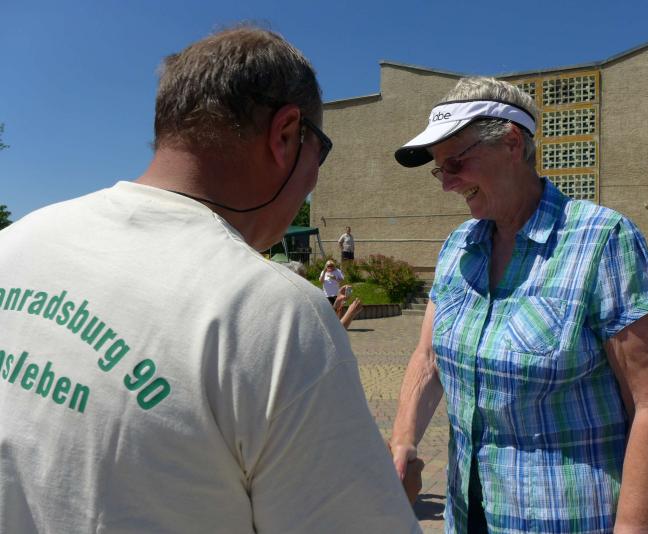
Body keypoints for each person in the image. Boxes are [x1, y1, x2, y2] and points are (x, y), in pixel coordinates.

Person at [0, 27, 419, 533]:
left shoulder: (16, 241)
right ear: (286, 134)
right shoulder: (276, 314)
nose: (314, 178)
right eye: (321, 152)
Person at [389, 77, 648, 533]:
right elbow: (428, 357)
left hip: (567, 521)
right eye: (440, 170)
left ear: (512, 143)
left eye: (456, 162)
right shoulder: (458, 247)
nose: (448, 184)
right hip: (467, 516)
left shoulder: (603, 240)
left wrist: (635, 528)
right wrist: (404, 440)